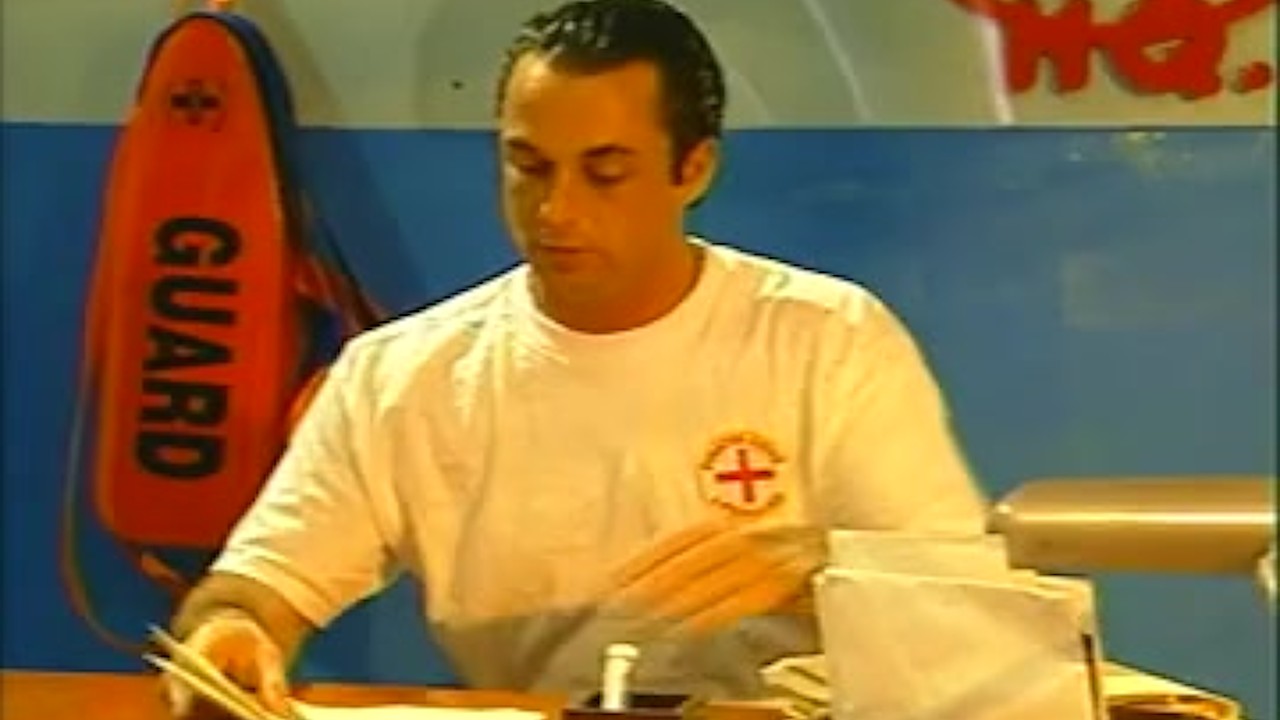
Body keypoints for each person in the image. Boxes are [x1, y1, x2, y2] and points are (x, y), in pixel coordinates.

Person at [163, 0, 988, 716]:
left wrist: (823, 568)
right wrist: (231, 631)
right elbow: (255, 586)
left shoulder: (826, 338)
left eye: (605, 173)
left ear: (693, 168)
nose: (555, 211)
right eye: (529, 167)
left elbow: (971, 608)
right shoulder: (401, 378)